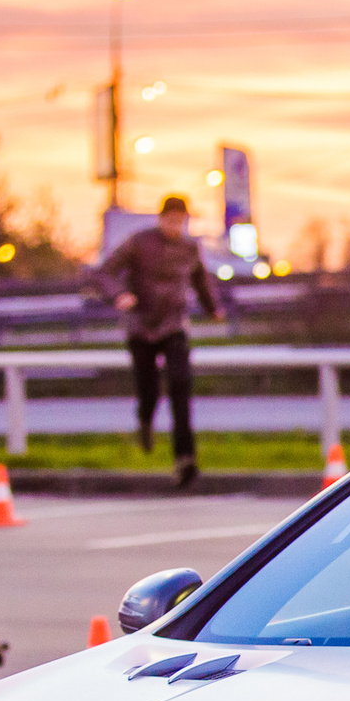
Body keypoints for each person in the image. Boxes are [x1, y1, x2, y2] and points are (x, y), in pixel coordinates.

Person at [86, 193, 222, 486]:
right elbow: (104, 273)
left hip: (174, 325)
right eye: (170, 220)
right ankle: (145, 419)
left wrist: (213, 309)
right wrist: (119, 294)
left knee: (181, 387)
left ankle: (185, 459)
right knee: (149, 389)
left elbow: (201, 281)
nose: (175, 226)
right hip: (141, 326)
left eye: (180, 221)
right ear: (161, 218)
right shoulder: (139, 242)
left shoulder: (189, 248)